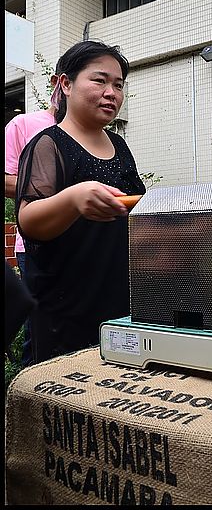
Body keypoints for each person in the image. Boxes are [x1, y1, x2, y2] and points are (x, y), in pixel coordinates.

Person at [15, 40, 146, 363]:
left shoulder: (119, 145)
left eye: (118, 85)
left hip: (116, 296)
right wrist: (73, 199)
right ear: (66, 84)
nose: (111, 92)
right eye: (99, 80)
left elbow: (137, 205)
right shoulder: (48, 144)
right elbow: (28, 219)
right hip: (65, 304)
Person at [5, 63, 65, 365]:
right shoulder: (24, 125)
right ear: (60, 82)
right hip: (35, 244)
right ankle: (28, 398)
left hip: (84, 244)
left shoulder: (98, 133)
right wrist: (58, 194)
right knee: (40, 328)